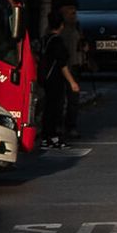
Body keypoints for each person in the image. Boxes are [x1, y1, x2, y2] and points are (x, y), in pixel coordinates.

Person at [39, 9, 80, 149]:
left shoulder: (45, 40)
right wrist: (72, 82)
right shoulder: (57, 42)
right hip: (56, 79)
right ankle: (54, 137)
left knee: (48, 108)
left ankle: (45, 137)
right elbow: (62, 64)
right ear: (61, 25)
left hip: (45, 78)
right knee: (56, 109)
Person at [50, 0, 87, 139]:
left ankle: (71, 126)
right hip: (60, 67)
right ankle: (58, 125)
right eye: (70, 9)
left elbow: (80, 41)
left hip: (74, 65)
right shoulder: (58, 28)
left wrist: (84, 47)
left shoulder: (76, 25)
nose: (73, 12)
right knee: (58, 98)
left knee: (73, 99)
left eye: (74, 10)